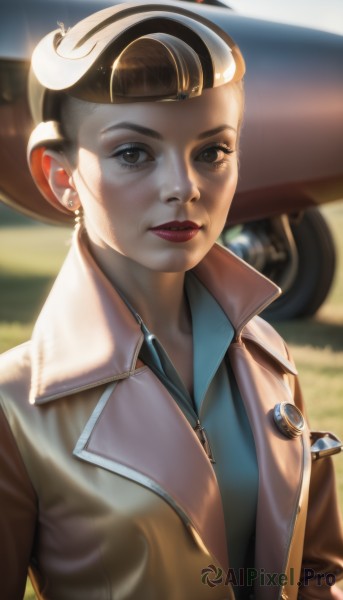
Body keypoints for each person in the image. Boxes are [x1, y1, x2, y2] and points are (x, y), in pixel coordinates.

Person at [0, 3, 342, 599]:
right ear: (60, 177)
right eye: (133, 152)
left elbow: (319, 571)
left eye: (212, 151)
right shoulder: (15, 407)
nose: (183, 187)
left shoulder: (270, 357)